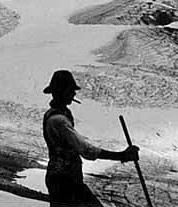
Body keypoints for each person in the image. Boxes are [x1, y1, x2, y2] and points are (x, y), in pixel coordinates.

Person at [42, 70, 139, 206]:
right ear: (62, 92)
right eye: (71, 90)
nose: (74, 93)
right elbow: (86, 150)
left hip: (64, 179)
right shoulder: (58, 121)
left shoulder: (58, 115)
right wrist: (121, 156)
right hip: (64, 181)